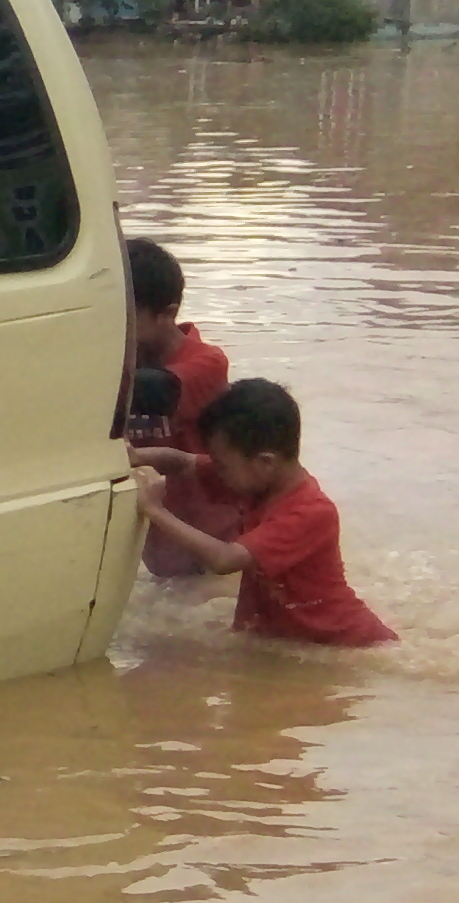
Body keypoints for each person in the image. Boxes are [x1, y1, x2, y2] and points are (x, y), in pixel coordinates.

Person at [135, 378, 395, 647]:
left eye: (222, 465)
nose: (217, 472)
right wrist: (135, 456)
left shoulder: (310, 512)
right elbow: (183, 463)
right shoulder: (254, 481)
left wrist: (155, 511)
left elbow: (225, 560)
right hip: (284, 637)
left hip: (345, 644)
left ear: (266, 462)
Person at [128, 237, 241, 576]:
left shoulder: (206, 362)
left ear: (168, 314)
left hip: (217, 539)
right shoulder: (122, 357)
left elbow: (153, 392)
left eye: (126, 313)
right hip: (159, 538)